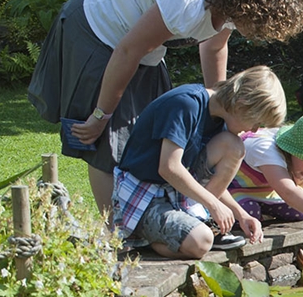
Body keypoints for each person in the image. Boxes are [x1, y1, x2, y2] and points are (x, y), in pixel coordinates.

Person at [28, 0, 303, 214]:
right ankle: (115, 236)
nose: (258, 34)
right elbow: (128, 50)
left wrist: (217, 111)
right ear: (251, 7)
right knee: (108, 145)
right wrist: (102, 115)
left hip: (136, 47)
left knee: (156, 136)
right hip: (96, 31)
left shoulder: (229, 1)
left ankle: (148, 220)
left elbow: (213, 47)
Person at [112, 66, 286, 260]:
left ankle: (197, 221)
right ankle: (144, 238)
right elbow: (169, 167)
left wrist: (241, 214)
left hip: (174, 192)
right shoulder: (186, 104)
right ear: (243, 104)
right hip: (144, 195)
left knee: (234, 146)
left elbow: (202, 179)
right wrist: (213, 204)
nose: (254, 129)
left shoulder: (219, 117)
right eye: (257, 122)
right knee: (201, 242)